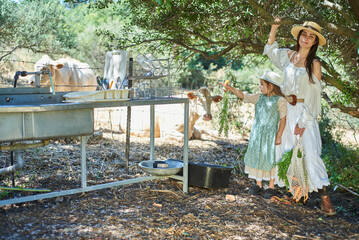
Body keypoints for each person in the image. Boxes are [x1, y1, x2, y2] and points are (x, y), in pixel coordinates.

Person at [264, 18, 336, 216]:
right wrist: (274, 27)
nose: (306, 38)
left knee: (310, 153)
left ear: (314, 42)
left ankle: (325, 198)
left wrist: (303, 122)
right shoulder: (289, 56)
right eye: (304, 34)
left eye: (311, 36)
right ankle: (297, 194)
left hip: (305, 113)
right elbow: (270, 50)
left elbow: (314, 98)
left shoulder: (314, 64)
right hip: (288, 110)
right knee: (288, 151)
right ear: (299, 36)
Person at [220, 71, 287, 199]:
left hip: (270, 134)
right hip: (258, 134)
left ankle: (271, 187)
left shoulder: (280, 100)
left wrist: (279, 136)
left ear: (271, 86)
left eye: (262, 84)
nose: (259, 87)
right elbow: (244, 96)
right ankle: (258, 184)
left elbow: (283, 119)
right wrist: (231, 89)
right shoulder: (258, 97)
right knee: (257, 156)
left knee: (269, 158)